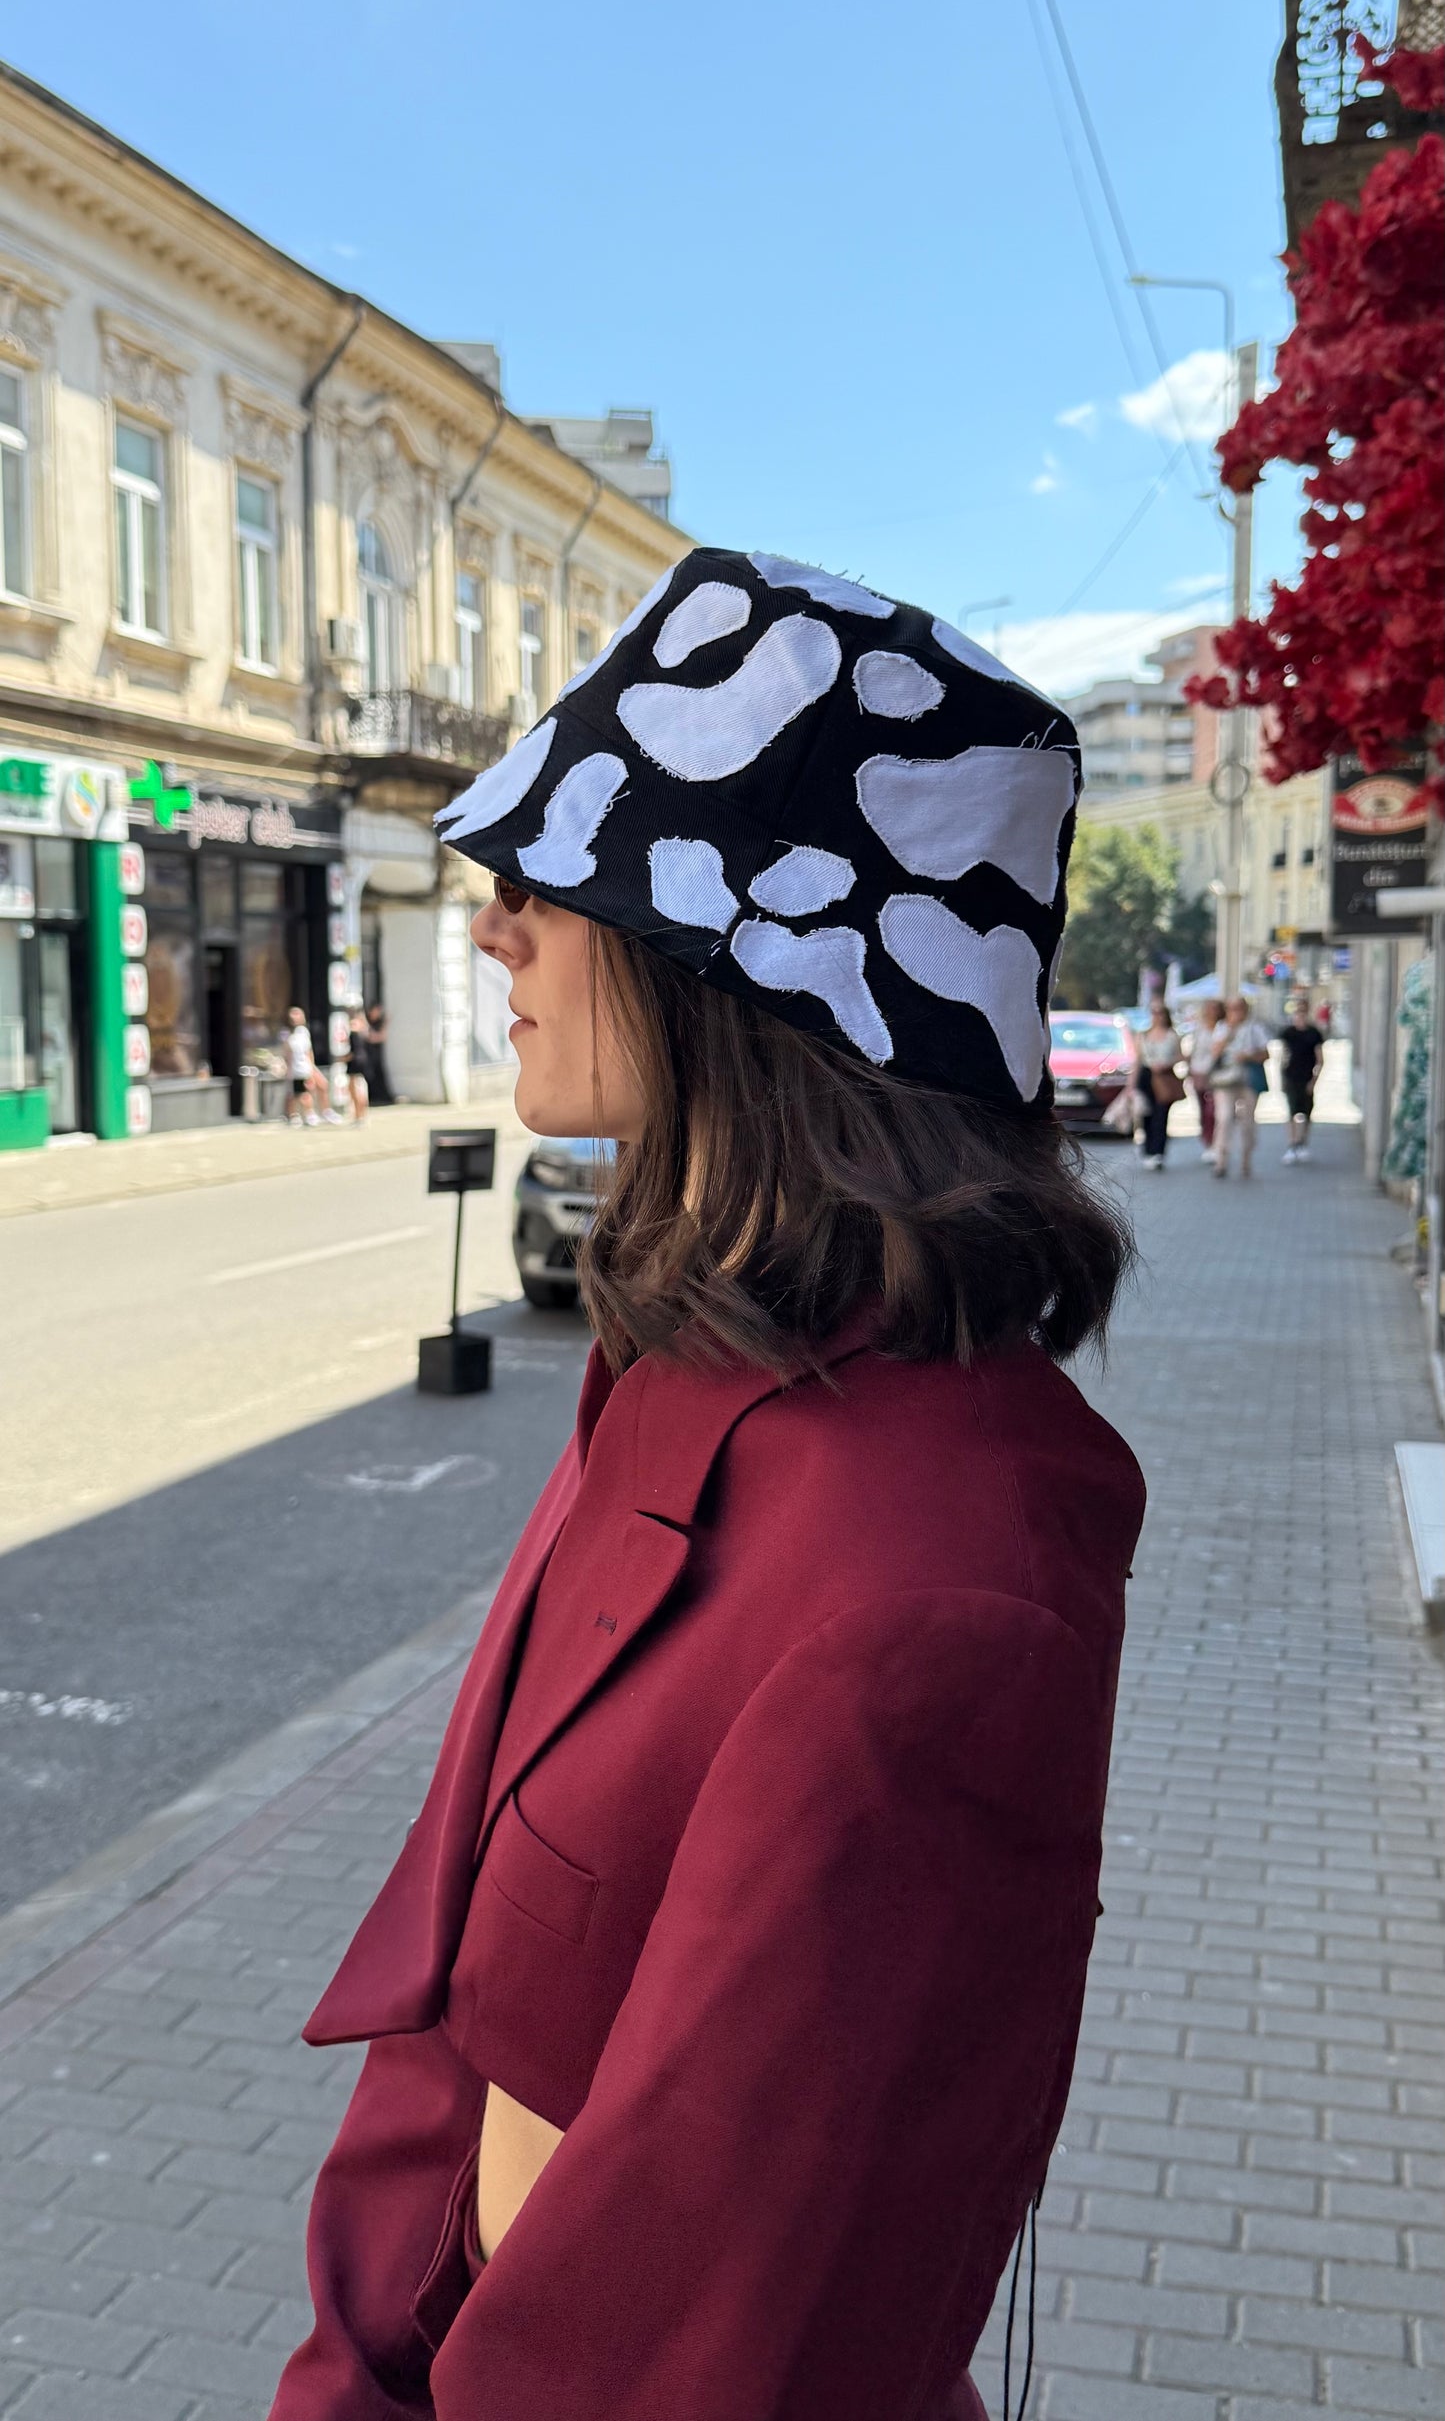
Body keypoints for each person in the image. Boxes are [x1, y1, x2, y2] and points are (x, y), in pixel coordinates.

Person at [269, 548, 1145, 2421]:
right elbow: (464, 2020)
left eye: (558, 877)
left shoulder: (937, 1579)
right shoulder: (676, 1381)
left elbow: (703, 2343)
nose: (494, 923)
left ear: (747, 961)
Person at [1209, 992, 1271, 1178]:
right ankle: (1221, 1159)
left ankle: (1246, 1159)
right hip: (1225, 1079)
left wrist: (1248, 1056)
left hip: (1248, 1079)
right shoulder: (1221, 1028)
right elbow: (1214, 1052)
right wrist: (1230, 1032)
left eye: (1239, 1008)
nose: (1235, 1012)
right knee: (1224, 1118)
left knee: (1247, 1121)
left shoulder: (1255, 1028)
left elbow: (1266, 1054)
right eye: (1231, 1008)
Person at [1136, 997, 1183, 1170]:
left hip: (1164, 1076)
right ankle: (1147, 1150)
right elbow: (1137, 1060)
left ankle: (1158, 1152)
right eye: (1153, 1012)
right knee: (1146, 1114)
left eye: (1160, 1012)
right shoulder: (1143, 1035)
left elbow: (1181, 1055)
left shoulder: (1172, 1035)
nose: (1157, 1016)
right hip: (1146, 1075)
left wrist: (1167, 1063)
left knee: (1161, 1114)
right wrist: (1130, 1086)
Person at [1278, 995, 1324, 1164]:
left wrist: (1314, 1080)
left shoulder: (1313, 1033)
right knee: (1291, 1111)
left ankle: (1302, 1141)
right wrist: (1280, 1077)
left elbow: (1320, 1059)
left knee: (1306, 1111)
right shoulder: (1288, 1033)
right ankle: (1292, 1144)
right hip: (1291, 1076)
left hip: (1307, 1076)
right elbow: (1282, 1055)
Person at [282, 1006, 336, 1127]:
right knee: (300, 1093)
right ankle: (299, 1115)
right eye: (293, 1015)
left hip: (307, 1067)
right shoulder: (287, 1034)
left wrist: (312, 1067)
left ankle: (325, 1112)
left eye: (297, 1014)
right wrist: (288, 1069)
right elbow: (287, 1053)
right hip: (297, 1069)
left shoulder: (303, 1032)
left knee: (322, 1085)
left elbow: (308, 1051)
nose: (295, 1017)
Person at [1186, 996, 1225, 1159]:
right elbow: (1193, 1050)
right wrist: (1190, 1071)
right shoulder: (1199, 1028)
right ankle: (1207, 1141)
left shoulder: (1223, 1028)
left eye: (1215, 1008)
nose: (1212, 1012)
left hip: (1217, 1074)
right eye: (1209, 1008)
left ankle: (1217, 1142)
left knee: (1214, 1110)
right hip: (1199, 1071)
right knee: (1203, 1110)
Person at [364, 1000, 395, 1106]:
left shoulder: (378, 1023)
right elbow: (372, 1037)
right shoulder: (366, 1022)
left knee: (379, 1075)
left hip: (376, 1055)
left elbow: (382, 1037)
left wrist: (385, 1024)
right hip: (367, 1055)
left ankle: (381, 1097)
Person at [346, 1009, 371, 1124]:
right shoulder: (363, 1030)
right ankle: (361, 1115)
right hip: (362, 1062)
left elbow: (354, 1051)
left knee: (354, 1090)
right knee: (360, 1090)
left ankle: (358, 1116)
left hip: (354, 1063)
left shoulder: (354, 1032)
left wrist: (342, 1058)